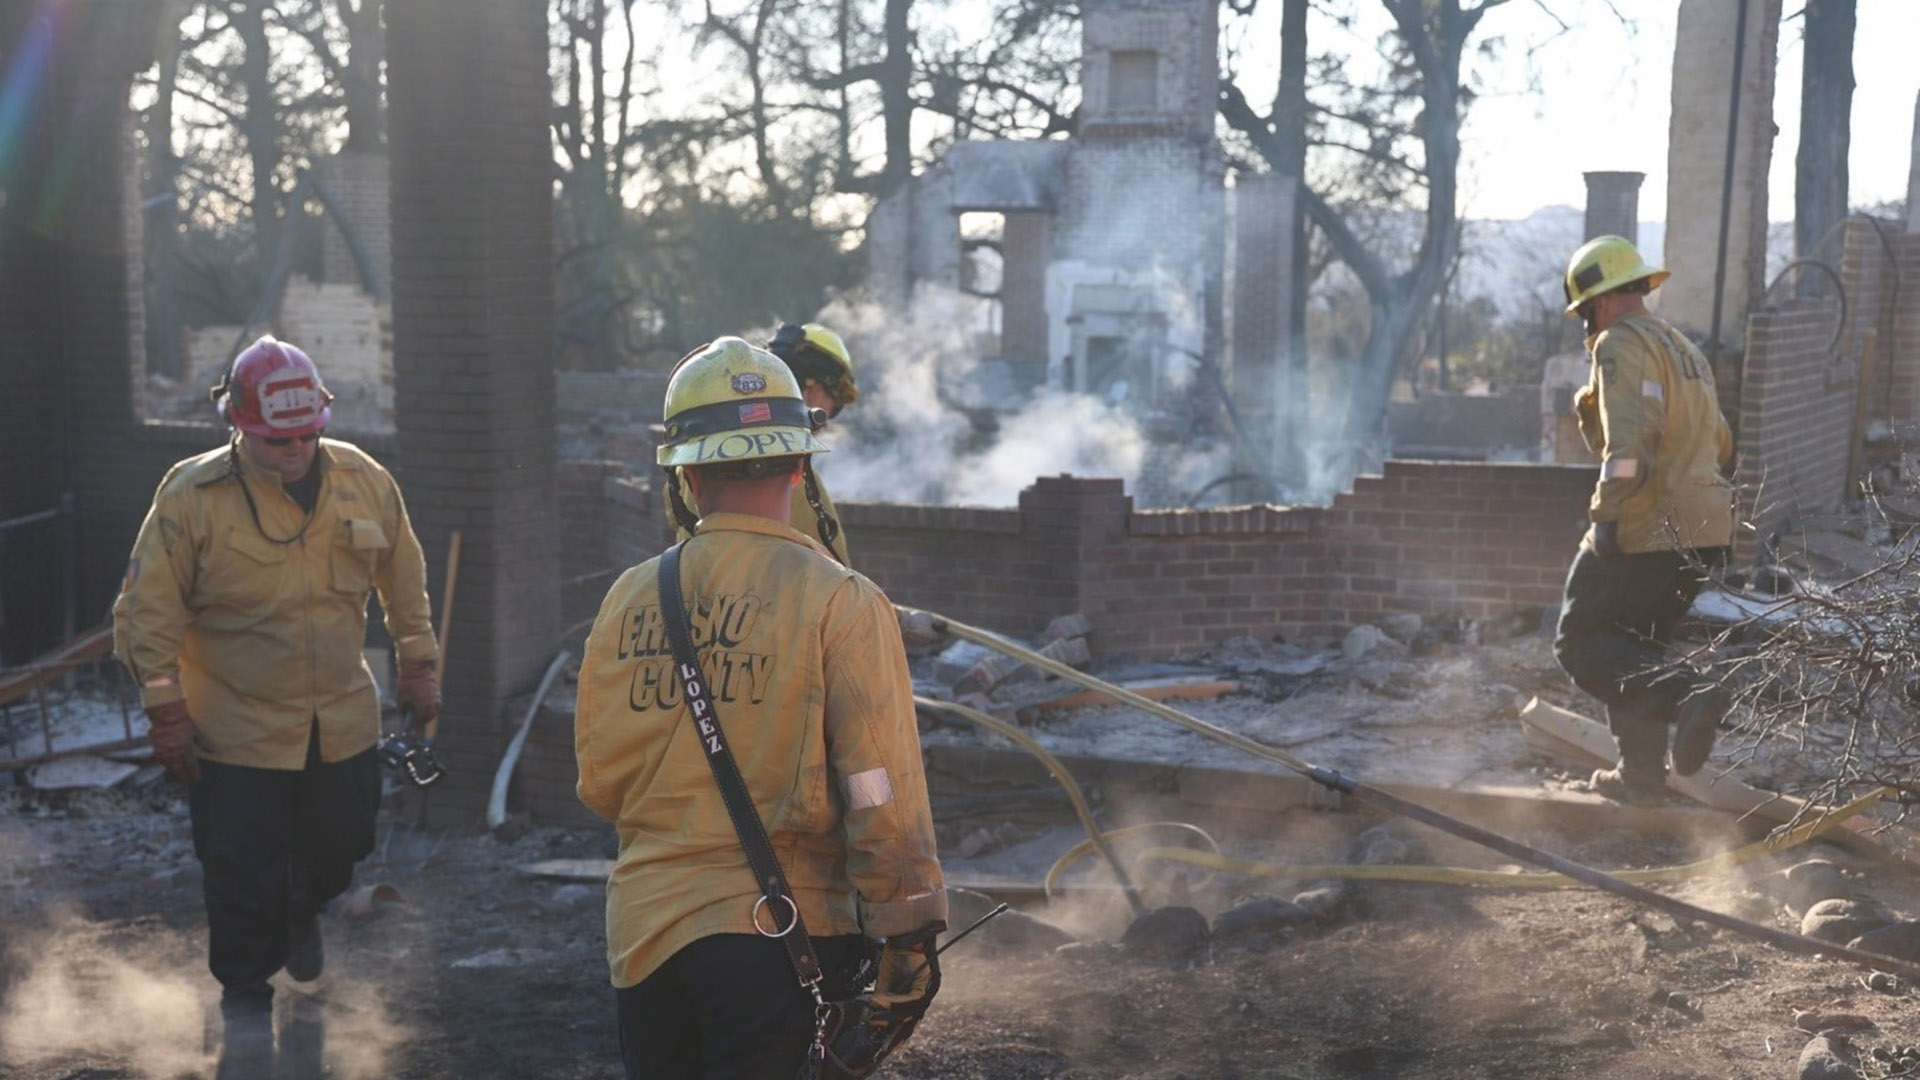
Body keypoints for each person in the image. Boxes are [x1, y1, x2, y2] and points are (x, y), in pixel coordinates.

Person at [577, 337, 945, 1079]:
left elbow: (598, 780)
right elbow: (880, 787)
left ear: (684, 471)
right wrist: (908, 936)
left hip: (645, 939)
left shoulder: (629, 596)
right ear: (801, 463)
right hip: (783, 935)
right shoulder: (841, 600)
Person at [112, 335, 441, 1075]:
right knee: (239, 869)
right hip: (234, 731)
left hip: (341, 721)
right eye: (274, 440)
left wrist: (420, 666)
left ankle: (303, 910)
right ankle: (245, 1004)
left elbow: (405, 582)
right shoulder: (189, 499)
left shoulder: (365, 481)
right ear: (238, 425)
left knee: (343, 844)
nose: (293, 451)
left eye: (304, 436)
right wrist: (167, 713)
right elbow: (144, 617)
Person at [1552, 237, 1736, 805]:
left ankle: (1690, 695)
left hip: (1647, 524)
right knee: (1630, 646)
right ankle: (1641, 779)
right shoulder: (1684, 348)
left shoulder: (1619, 343)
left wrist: (1607, 517)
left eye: (1584, 312)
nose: (1586, 324)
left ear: (1600, 302)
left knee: (1580, 641)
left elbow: (1629, 444)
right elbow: (1723, 442)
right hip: (1705, 529)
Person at [666, 321, 858, 565]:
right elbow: (838, 577)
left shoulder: (690, 464)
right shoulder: (791, 478)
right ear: (812, 391)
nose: (829, 420)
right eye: (834, 403)